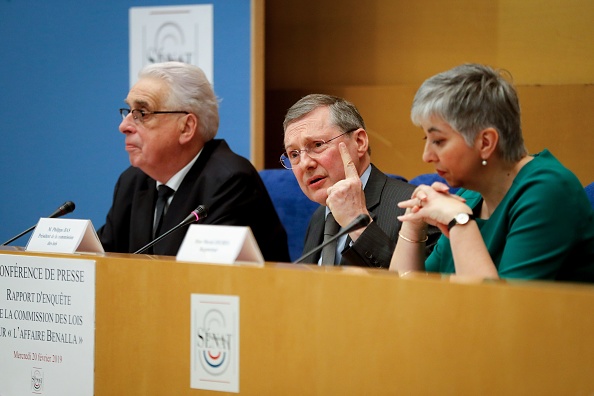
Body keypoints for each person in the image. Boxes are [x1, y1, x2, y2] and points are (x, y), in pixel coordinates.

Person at [389, 63, 594, 282]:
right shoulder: (470, 197)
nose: (427, 156)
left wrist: (459, 221)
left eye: (438, 141)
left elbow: (499, 311)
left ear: (485, 142)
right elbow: (404, 295)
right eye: (426, 140)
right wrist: (413, 225)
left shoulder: (549, 191)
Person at [98, 61, 290, 262]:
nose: (124, 125)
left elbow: (208, 276)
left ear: (186, 127)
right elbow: (102, 258)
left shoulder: (231, 181)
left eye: (142, 114)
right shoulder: (133, 181)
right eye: (128, 111)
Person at [282, 94, 440, 268]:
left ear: (359, 142)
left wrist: (358, 222)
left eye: (318, 145)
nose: (305, 163)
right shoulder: (320, 216)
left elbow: (416, 291)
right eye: (294, 154)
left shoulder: (416, 209)